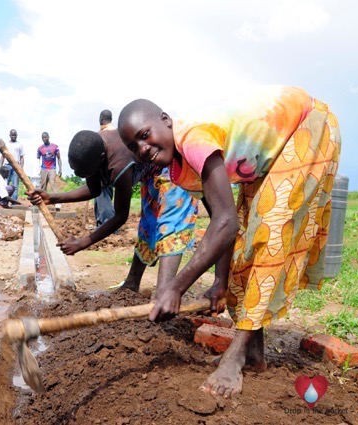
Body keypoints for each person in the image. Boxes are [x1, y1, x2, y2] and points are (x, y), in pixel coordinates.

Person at [118, 85, 341, 398]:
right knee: (246, 244)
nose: (142, 148)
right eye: (133, 145)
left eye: (144, 134)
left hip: (307, 124)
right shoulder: (180, 169)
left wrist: (175, 287)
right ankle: (253, 355)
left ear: (166, 120)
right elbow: (222, 223)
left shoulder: (193, 139)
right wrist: (221, 280)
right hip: (269, 156)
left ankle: (236, 355)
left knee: (269, 236)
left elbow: (225, 223)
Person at [28, 129, 154, 255]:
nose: (79, 175)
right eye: (75, 171)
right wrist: (51, 198)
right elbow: (93, 189)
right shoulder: (92, 148)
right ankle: (134, 275)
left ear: (101, 159)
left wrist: (82, 243)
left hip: (161, 171)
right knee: (146, 232)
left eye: (83, 172)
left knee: (161, 228)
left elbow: (120, 216)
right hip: (144, 176)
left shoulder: (119, 167)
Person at [94, 110, 116, 227]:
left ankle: (109, 225)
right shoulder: (116, 132)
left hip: (103, 172)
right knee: (100, 198)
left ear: (101, 118)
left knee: (104, 200)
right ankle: (100, 223)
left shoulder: (102, 135)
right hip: (113, 171)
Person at [0, 129, 24, 200]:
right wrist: (0, 167)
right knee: (4, 184)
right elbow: (2, 156)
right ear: (9, 135)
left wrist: (21, 168)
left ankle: (14, 203)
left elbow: (22, 157)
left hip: (16, 166)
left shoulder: (20, 144)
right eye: (12, 135)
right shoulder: (6, 144)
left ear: (17, 135)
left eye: (15, 135)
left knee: (15, 186)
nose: (13, 136)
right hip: (7, 166)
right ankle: (3, 201)